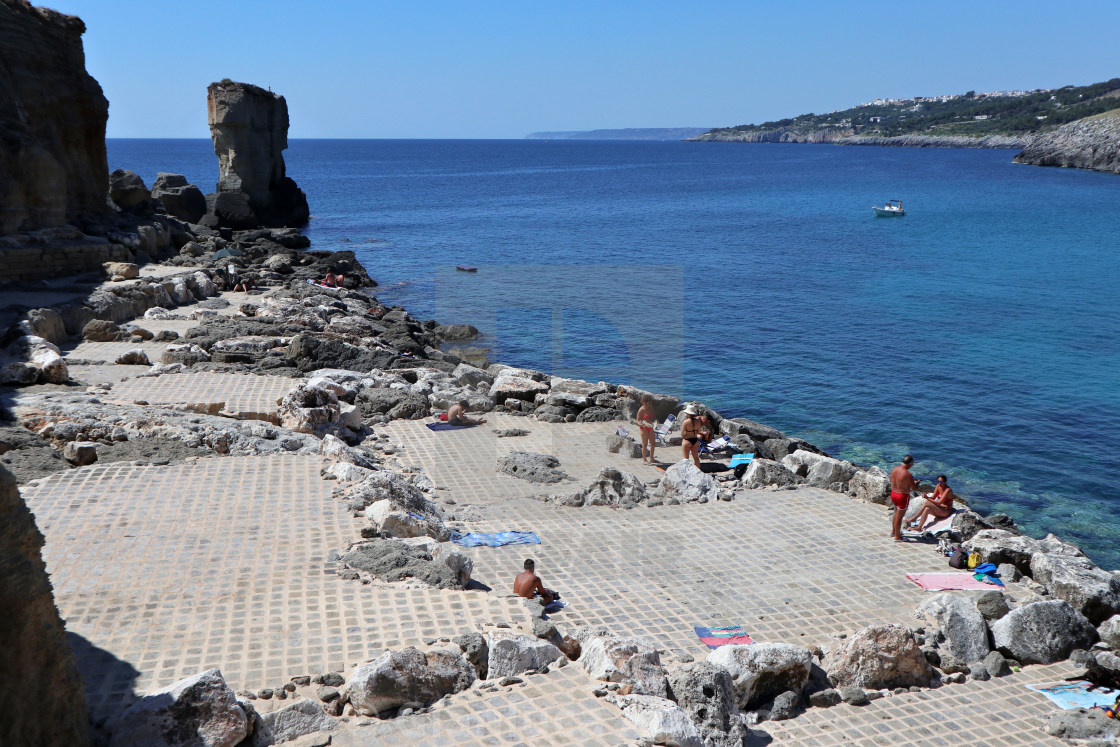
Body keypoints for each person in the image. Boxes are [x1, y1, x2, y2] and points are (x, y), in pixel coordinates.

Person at [889, 455, 920, 541]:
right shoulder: (907, 474)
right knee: (899, 517)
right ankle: (897, 536)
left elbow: (891, 480)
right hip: (902, 496)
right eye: (912, 464)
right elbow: (914, 488)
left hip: (893, 493)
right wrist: (917, 483)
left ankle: (893, 531)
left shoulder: (894, 469)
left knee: (895, 513)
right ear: (909, 464)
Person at [635, 394, 656, 464]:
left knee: (653, 443)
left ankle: (652, 458)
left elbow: (653, 417)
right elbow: (637, 420)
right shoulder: (641, 410)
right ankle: (644, 459)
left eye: (649, 404)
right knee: (645, 444)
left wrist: (655, 421)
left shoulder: (651, 408)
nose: (648, 405)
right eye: (647, 404)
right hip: (644, 428)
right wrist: (640, 424)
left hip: (650, 427)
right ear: (643, 402)